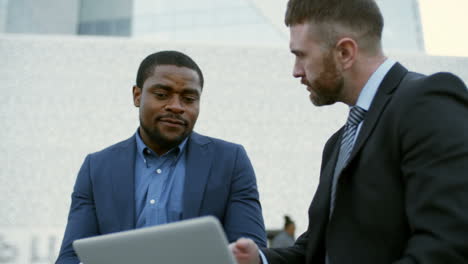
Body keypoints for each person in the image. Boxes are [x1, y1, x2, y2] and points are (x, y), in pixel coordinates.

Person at [230, 0, 468, 263]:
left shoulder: (428, 99)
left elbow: (448, 242)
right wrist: (259, 260)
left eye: (301, 55)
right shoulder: (338, 143)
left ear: (344, 53)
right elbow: (317, 250)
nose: (296, 71)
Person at [56, 50, 267, 264]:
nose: (176, 106)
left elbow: (249, 252)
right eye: (162, 94)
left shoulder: (230, 161)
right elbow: (71, 257)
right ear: (137, 96)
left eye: (189, 98)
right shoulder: (97, 168)